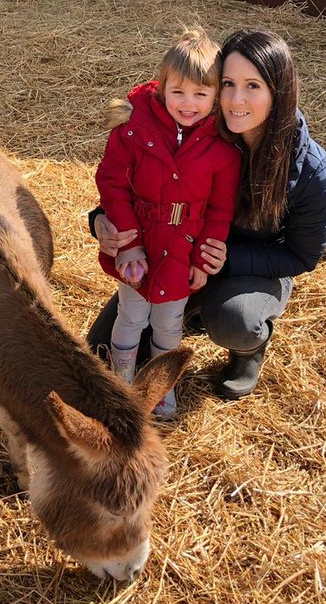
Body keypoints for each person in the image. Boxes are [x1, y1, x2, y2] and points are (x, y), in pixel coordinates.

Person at [88, 29, 326, 401]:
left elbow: (303, 254)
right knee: (99, 346)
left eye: (253, 86)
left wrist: (224, 258)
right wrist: (101, 221)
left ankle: (247, 350)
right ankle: (181, 317)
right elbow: (137, 182)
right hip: (172, 250)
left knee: (234, 319)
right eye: (228, 84)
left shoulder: (308, 169)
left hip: (243, 265)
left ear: (278, 92)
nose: (237, 99)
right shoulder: (198, 128)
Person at [94, 29, 241, 418]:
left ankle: (161, 388)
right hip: (139, 242)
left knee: (168, 325)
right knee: (131, 316)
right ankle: (121, 381)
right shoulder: (132, 127)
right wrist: (127, 242)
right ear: (161, 89)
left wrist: (202, 257)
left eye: (200, 94)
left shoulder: (223, 148)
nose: (188, 104)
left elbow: (220, 210)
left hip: (182, 249)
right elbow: (111, 180)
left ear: (215, 97)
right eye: (178, 92)